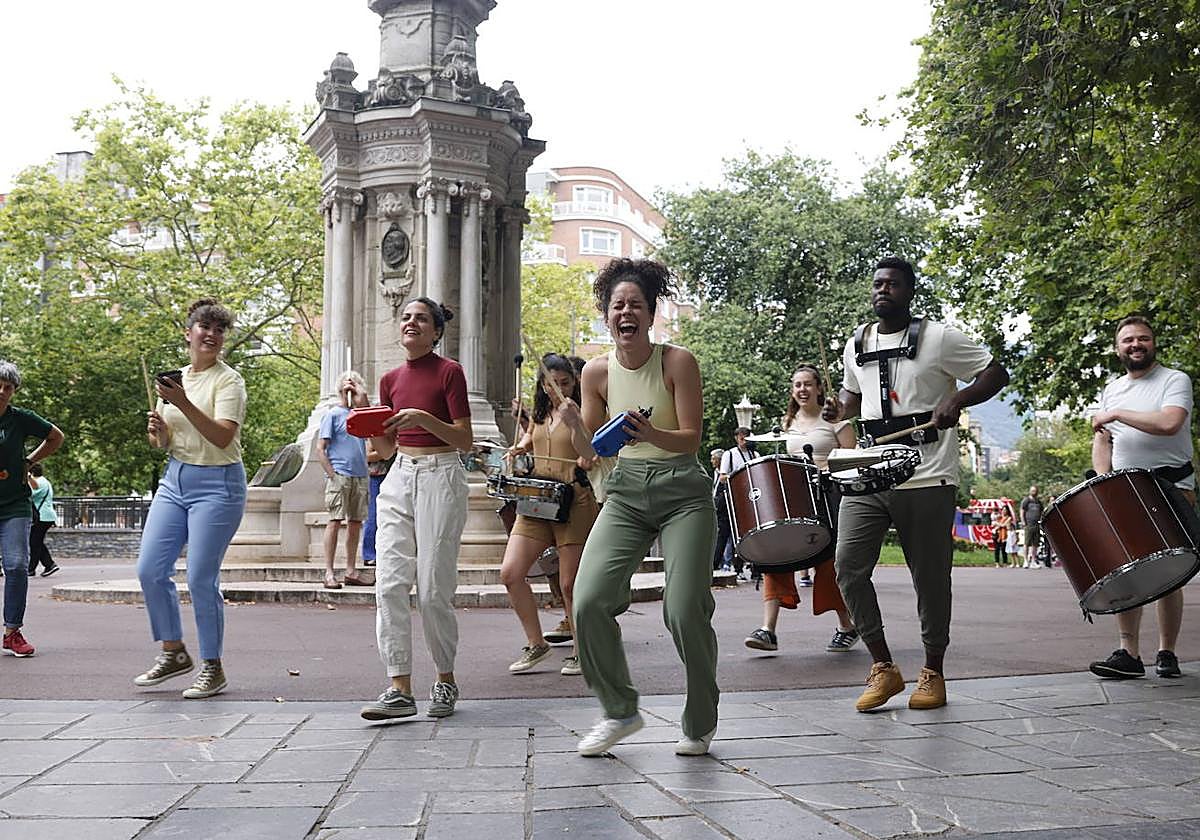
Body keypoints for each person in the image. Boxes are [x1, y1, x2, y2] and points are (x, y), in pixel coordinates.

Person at [825, 257, 1008, 712]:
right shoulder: (857, 342)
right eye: (877, 283)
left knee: (929, 578)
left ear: (909, 292)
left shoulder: (939, 338)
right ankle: (884, 667)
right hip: (869, 472)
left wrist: (958, 398)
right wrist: (839, 410)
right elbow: (853, 393)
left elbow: (995, 372)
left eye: (892, 284)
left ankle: (933, 671)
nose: (882, 290)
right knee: (847, 566)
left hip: (927, 474)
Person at [569, 258, 719, 757]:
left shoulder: (678, 361)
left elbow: (692, 439)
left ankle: (700, 717)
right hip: (627, 493)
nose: (625, 311)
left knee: (682, 609)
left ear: (651, 313)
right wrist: (574, 427)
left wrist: (650, 432)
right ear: (606, 316)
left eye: (635, 304)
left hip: (683, 492)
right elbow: (593, 451)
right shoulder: (594, 372)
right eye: (617, 305)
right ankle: (619, 711)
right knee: (587, 600)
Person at [360, 298, 473, 722]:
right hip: (399, 475)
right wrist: (367, 423)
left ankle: (445, 679)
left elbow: (464, 441)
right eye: (406, 317)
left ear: (436, 331)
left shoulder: (450, 372)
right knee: (388, 583)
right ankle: (399, 688)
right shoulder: (389, 379)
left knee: (431, 587)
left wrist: (423, 418)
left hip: (442, 474)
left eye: (421, 318)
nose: (411, 322)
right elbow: (386, 448)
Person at [135, 299, 247, 698]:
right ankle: (173, 652)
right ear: (189, 332)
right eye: (205, 326)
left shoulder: (228, 381)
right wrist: (158, 431)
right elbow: (162, 441)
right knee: (149, 569)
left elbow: (222, 436)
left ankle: (212, 667)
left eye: (220, 329)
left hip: (219, 484)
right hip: (176, 479)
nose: (212, 334)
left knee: (200, 577)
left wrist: (181, 402)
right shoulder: (172, 380)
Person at [1088, 314, 1199, 680]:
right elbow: (1102, 439)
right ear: (1118, 348)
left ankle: (1167, 652)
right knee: (1127, 572)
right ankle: (1128, 653)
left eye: (1143, 338)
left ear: (1153, 343)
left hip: (1172, 485)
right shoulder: (1112, 388)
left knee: (1171, 571)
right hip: (1125, 490)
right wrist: (1103, 485)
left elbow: (1170, 423)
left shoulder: (1174, 380)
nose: (1136, 344)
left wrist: (1118, 412)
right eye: (1128, 340)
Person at [744, 364, 860, 655]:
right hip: (798, 496)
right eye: (797, 385)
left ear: (819, 388)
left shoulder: (838, 423)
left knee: (827, 564)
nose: (802, 390)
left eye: (808, 384)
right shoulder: (788, 424)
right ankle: (768, 630)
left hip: (829, 496)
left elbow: (852, 464)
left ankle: (847, 626)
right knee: (774, 551)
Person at [501, 353, 599, 677]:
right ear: (542, 384)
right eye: (552, 384)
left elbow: (589, 454)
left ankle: (583, 650)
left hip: (573, 499)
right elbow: (533, 436)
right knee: (511, 573)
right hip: (537, 499)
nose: (559, 389)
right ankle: (536, 642)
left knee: (571, 584)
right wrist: (519, 448)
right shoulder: (541, 412)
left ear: (574, 382)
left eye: (566, 383)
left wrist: (575, 424)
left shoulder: (581, 411)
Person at [0, 360, 65, 657]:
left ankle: (12, 632)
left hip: (14, 504)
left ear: (14, 391)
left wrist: (28, 460)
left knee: (15, 565)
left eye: (8, 387)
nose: (2, 391)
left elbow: (56, 437)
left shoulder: (20, 419)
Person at [317, 371, 371, 589]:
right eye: (347, 383)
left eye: (355, 383)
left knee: (356, 523)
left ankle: (350, 570)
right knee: (335, 520)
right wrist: (332, 474)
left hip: (360, 475)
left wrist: (361, 398)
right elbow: (321, 448)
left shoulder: (360, 415)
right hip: (340, 474)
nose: (351, 386)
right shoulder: (332, 414)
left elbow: (372, 435)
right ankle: (329, 572)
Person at [718, 427, 757, 579]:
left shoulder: (755, 454)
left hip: (751, 497)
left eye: (746, 437)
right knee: (734, 533)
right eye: (741, 437)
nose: (744, 440)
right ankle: (737, 567)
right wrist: (739, 478)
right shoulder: (730, 454)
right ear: (736, 438)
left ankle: (755, 569)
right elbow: (722, 477)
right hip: (735, 498)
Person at [360, 437, 392, 568]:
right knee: (373, 516)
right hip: (376, 477)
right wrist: (387, 452)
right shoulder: (373, 435)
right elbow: (367, 456)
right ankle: (369, 555)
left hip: (394, 475)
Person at [27, 463, 59, 577]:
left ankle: (38, 567)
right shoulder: (45, 481)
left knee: (34, 542)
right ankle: (48, 565)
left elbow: (29, 494)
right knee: (36, 542)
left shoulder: (39, 483)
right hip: (47, 516)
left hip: (42, 516)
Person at [709, 448, 733, 572]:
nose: (711, 461)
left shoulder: (725, 473)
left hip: (725, 505)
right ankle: (718, 562)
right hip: (717, 504)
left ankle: (725, 563)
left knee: (726, 535)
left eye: (714, 458)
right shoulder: (715, 473)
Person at [1019, 486, 1044, 569]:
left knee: (1035, 544)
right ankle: (1026, 561)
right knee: (1026, 543)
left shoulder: (1038, 502)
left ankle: (1033, 560)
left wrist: (1041, 522)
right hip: (1028, 524)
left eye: (1035, 491)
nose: (1034, 492)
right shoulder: (1026, 501)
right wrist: (1023, 522)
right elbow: (1022, 511)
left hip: (1036, 525)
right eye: (1032, 491)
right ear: (1030, 491)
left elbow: (1041, 512)